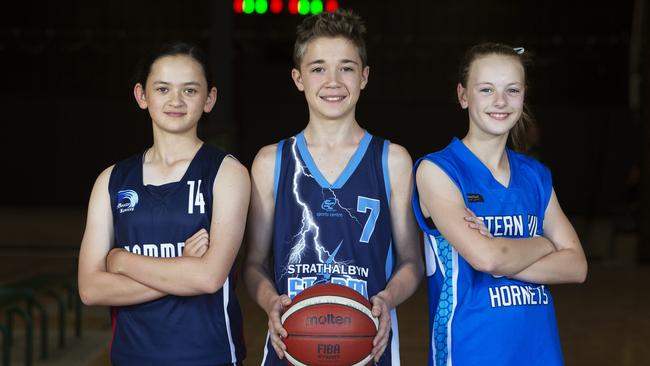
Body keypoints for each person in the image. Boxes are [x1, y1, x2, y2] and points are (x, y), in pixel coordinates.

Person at [244, 9, 423, 366]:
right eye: (318, 68)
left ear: (364, 76)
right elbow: (253, 264)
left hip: (369, 347)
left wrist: (387, 298)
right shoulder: (270, 162)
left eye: (346, 67)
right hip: (290, 346)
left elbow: (411, 262)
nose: (333, 81)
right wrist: (269, 301)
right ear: (298, 78)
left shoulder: (393, 161)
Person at [412, 42, 588, 366]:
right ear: (463, 96)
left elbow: (577, 267)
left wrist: (504, 256)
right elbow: (487, 259)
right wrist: (544, 243)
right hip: (469, 352)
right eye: (486, 89)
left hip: (540, 353)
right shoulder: (438, 171)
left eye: (512, 90)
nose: (501, 102)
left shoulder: (535, 175)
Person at [77, 42, 249, 365]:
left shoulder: (228, 173)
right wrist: (182, 268)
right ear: (142, 96)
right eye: (163, 89)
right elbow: (90, 289)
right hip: (132, 357)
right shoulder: (111, 181)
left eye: (189, 90)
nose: (175, 101)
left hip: (209, 357)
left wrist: (122, 260)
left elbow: (208, 278)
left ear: (209, 98)